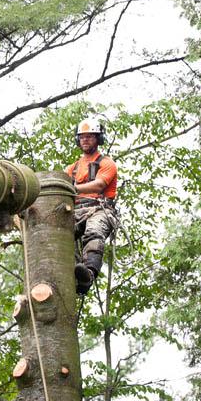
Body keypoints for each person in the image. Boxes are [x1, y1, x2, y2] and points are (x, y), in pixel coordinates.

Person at [65, 117, 118, 295]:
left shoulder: (107, 163)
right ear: (77, 140)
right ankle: (72, 272)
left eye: (90, 136)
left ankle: (88, 273)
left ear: (98, 139)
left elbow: (99, 185)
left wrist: (72, 188)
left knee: (93, 231)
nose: (85, 140)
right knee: (59, 233)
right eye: (82, 137)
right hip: (77, 210)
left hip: (100, 209)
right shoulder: (71, 169)